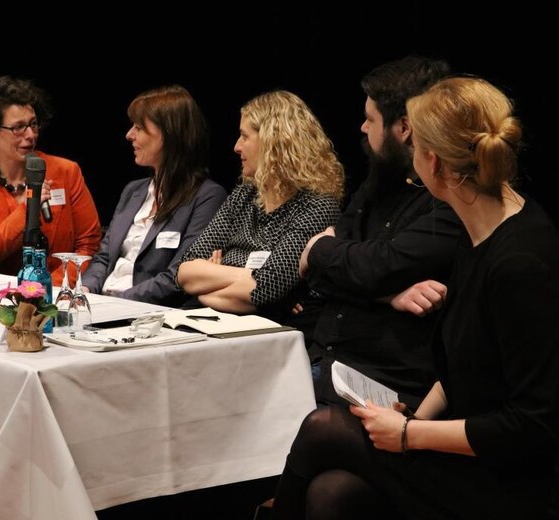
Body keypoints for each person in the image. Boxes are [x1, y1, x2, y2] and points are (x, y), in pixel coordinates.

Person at [270, 75, 559, 519]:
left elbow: (533, 427)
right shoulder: (477, 232)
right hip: (461, 439)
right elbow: (464, 367)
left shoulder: (519, 263)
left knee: (322, 429)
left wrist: (409, 435)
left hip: (510, 476)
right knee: (332, 494)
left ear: (433, 164)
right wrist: (416, 421)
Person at [294, 56, 462, 410]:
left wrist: (318, 249)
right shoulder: (377, 181)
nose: (362, 127)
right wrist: (388, 296)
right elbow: (316, 278)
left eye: (371, 119)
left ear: (404, 128)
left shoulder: (449, 198)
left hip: (381, 382)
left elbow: (378, 266)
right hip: (321, 363)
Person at [177, 90, 343, 317]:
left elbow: (266, 289)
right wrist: (253, 275)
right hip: (219, 315)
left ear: (273, 142)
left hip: (276, 325)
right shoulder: (244, 194)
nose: (236, 146)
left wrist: (212, 278)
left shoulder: (317, 205)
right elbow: (185, 269)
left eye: (244, 136)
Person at [81, 85, 227, 306]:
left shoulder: (207, 197)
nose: (129, 135)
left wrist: (117, 302)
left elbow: (179, 275)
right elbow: (104, 257)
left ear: (169, 133)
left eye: (139, 127)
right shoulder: (133, 190)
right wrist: (85, 290)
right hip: (101, 305)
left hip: (148, 314)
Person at [0, 76, 101, 285]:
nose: (31, 135)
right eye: (18, 128)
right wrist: (26, 209)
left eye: (33, 124)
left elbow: (88, 245)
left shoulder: (66, 171)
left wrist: (46, 288)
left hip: (57, 291)